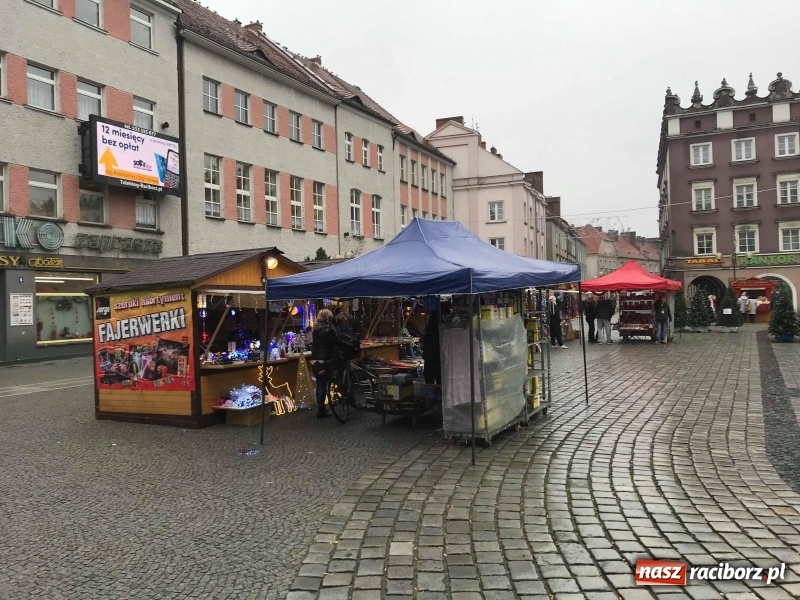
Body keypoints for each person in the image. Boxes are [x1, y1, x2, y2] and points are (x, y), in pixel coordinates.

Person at [310, 309, 354, 419]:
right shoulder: (328, 329)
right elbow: (337, 341)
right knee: (336, 378)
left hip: (315, 359)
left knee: (320, 384)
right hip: (326, 359)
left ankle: (321, 409)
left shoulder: (315, 328)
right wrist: (350, 346)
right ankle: (341, 398)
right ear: (328, 318)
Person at [422, 309, 442, 384]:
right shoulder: (438, 319)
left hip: (430, 353)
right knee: (438, 376)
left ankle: (430, 392)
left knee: (429, 376)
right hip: (436, 353)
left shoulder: (433, 319)